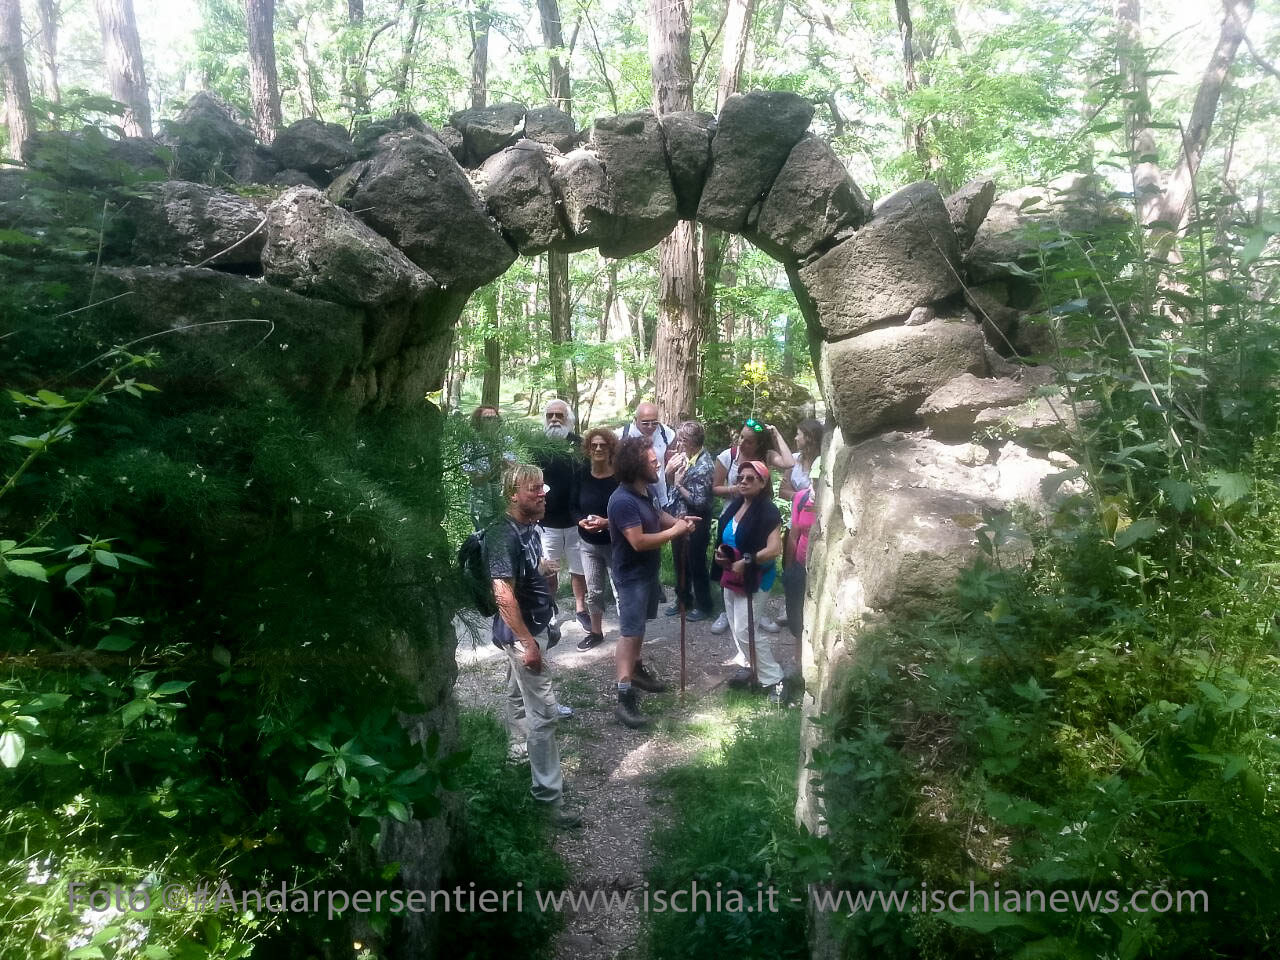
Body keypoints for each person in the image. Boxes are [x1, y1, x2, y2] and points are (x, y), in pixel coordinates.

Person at [486, 463, 581, 828]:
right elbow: (502, 592)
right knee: (544, 714)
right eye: (533, 489)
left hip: (531, 628)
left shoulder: (528, 528)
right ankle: (548, 799)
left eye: (543, 488)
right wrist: (527, 642)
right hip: (521, 634)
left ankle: (515, 755)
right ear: (513, 494)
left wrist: (543, 571)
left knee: (515, 694)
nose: (543, 494)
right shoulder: (502, 535)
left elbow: (523, 573)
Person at [607, 435, 698, 728]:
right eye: (651, 460)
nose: (658, 462)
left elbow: (657, 516)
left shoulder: (644, 491)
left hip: (647, 574)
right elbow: (639, 541)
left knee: (639, 628)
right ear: (635, 465)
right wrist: (676, 532)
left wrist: (678, 522)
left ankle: (636, 669)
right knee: (629, 633)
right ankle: (624, 697)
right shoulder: (621, 500)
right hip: (631, 578)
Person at [713, 460, 787, 705]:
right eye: (741, 478)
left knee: (747, 629)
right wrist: (722, 554)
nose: (743, 482)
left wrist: (747, 560)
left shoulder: (768, 511)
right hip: (731, 575)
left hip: (756, 577)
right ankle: (749, 665)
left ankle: (774, 678)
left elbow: (774, 549)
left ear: (763, 483)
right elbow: (726, 537)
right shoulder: (735, 506)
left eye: (750, 478)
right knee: (736, 627)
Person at [709, 419, 790, 635]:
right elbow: (715, 487)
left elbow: (789, 462)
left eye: (749, 440)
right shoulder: (728, 456)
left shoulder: (766, 455)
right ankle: (727, 613)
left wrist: (775, 434)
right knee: (728, 559)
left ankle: (756, 611)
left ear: (759, 444)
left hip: (759, 516)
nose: (742, 442)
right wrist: (738, 488)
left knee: (753, 558)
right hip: (734, 512)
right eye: (741, 436)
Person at [535, 399, 590, 632]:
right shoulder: (535, 447)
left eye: (559, 415)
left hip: (576, 520)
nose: (555, 420)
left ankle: (581, 608)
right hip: (547, 521)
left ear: (569, 419)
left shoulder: (580, 446)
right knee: (549, 569)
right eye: (550, 416)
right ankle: (550, 609)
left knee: (579, 569)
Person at [573, 427, 620, 650]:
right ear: (588, 449)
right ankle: (596, 632)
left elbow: (629, 512)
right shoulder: (582, 472)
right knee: (594, 590)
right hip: (587, 543)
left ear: (611, 448)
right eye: (594, 445)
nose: (598, 449)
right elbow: (573, 505)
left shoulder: (620, 476)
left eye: (603, 445)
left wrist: (607, 522)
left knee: (620, 587)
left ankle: (627, 633)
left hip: (615, 542)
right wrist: (580, 521)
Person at [663, 419, 715, 621]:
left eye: (682, 439)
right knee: (679, 559)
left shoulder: (705, 466)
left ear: (693, 441)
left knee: (696, 561)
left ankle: (704, 604)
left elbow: (700, 501)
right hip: (679, 517)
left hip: (697, 520)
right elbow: (670, 482)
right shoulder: (685, 457)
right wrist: (669, 474)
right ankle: (683, 599)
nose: (679, 443)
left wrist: (678, 485)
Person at [461, 405, 516, 529]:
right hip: (481, 495)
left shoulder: (505, 440)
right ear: (478, 421)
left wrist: (505, 463)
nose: (492, 422)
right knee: (482, 530)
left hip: (502, 494)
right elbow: (465, 465)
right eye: (487, 418)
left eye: (494, 418)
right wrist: (479, 474)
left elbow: (514, 462)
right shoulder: (471, 441)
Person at [783, 456, 819, 641]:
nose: (816, 486)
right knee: (796, 616)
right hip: (799, 563)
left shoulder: (832, 502)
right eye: (814, 480)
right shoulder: (801, 497)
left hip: (818, 568)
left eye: (821, 481)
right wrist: (788, 569)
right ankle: (798, 661)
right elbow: (794, 534)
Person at [618, 401, 677, 507]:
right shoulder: (623, 434)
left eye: (654, 422)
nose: (650, 427)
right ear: (635, 420)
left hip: (660, 494)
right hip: (634, 497)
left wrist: (669, 456)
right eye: (645, 423)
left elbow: (673, 439)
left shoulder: (663, 431)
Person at [779, 418, 824, 501]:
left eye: (798, 434)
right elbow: (783, 491)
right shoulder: (793, 458)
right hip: (797, 511)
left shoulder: (823, 462)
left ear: (809, 437)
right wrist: (802, 497)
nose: (795, 438)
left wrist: (793, 494)